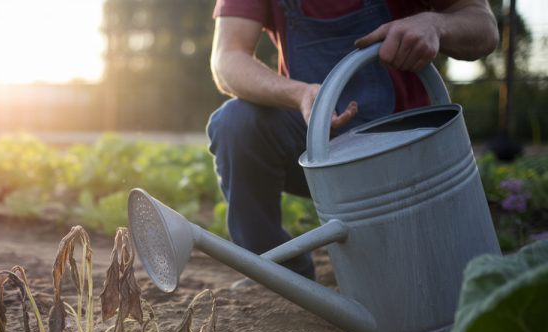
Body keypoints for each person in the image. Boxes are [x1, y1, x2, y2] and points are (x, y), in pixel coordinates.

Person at [206, 0, 498, 282]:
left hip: (405, 150)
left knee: (419, 277)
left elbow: (483, 25)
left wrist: (436, 23)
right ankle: (283, 278)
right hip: (313, 145)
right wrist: (300, 94)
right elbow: (227, 59)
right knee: (235, 124)